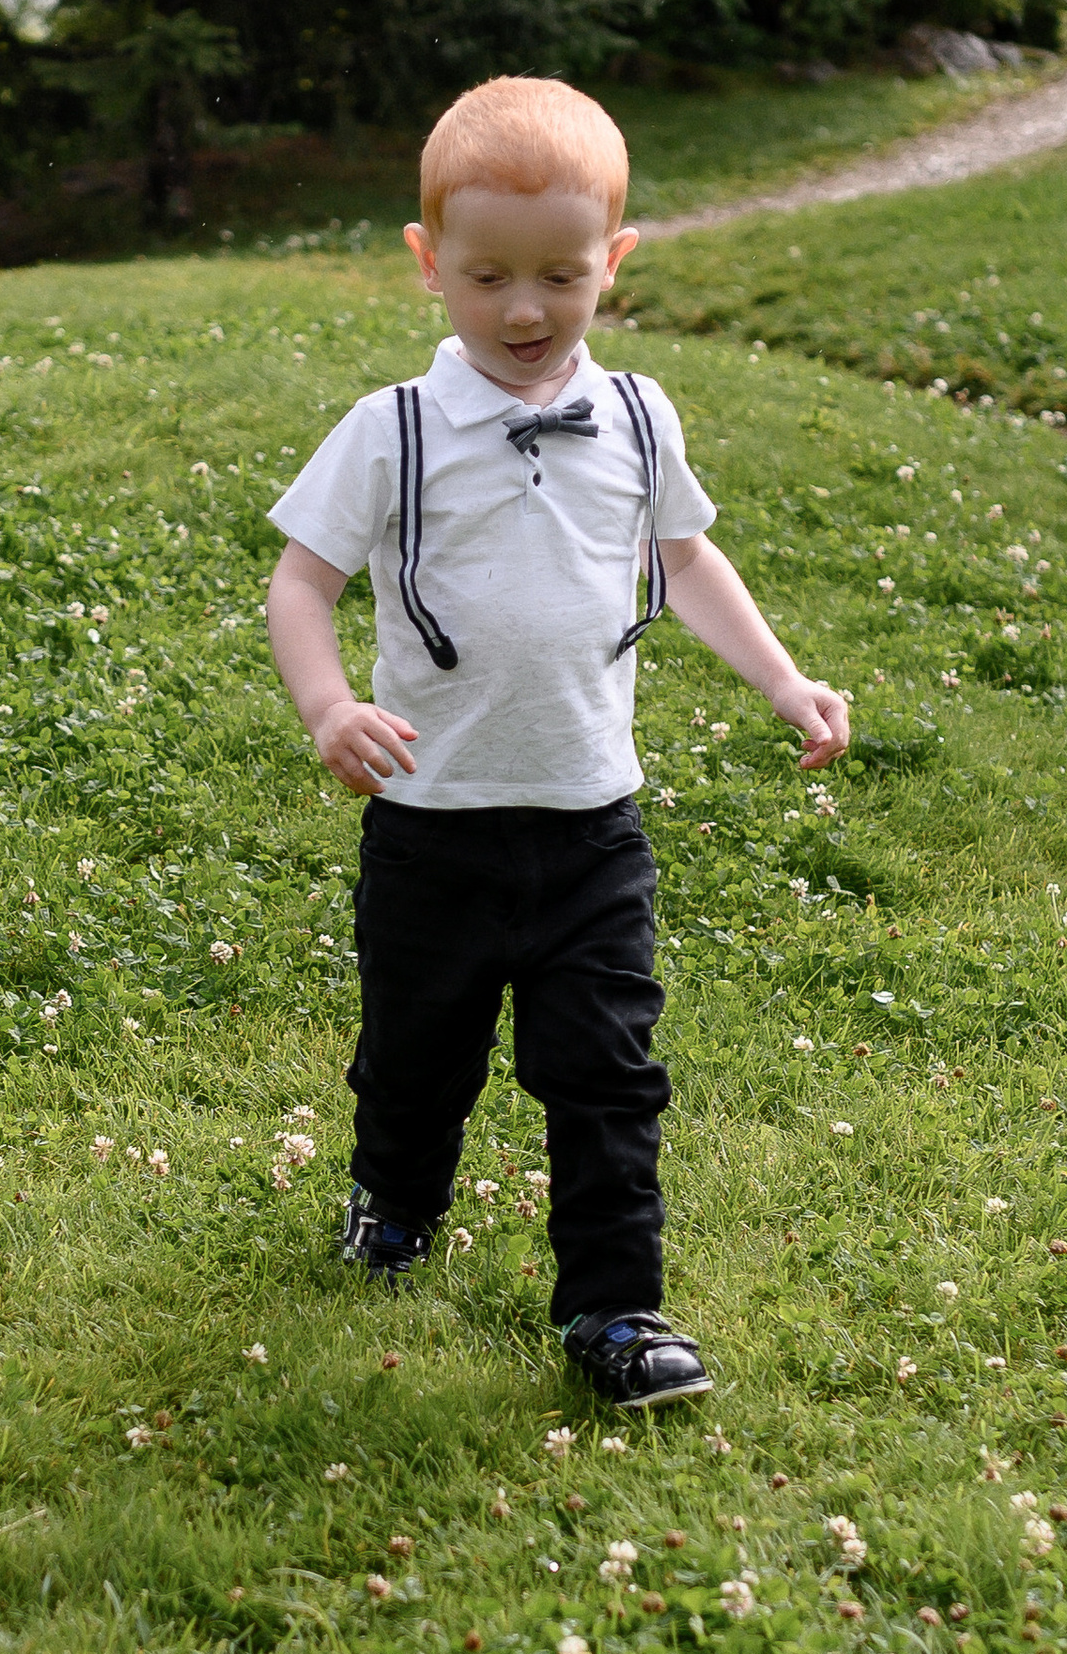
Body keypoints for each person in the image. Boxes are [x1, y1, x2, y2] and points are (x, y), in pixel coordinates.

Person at [265, 76, 850, 1410]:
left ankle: (614, 1309)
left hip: (592, 824)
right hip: (434, 823)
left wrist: (782, 679)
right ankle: (396, 1199)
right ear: (429, 263)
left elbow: (684, 559)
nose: (525, 311)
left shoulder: (639, 416)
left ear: (614, 261)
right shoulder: (392, 429)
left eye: (561, 278)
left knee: (608, 1075)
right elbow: (302, 581)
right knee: (417, 1057)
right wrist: (329, 706)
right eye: (487, 279)